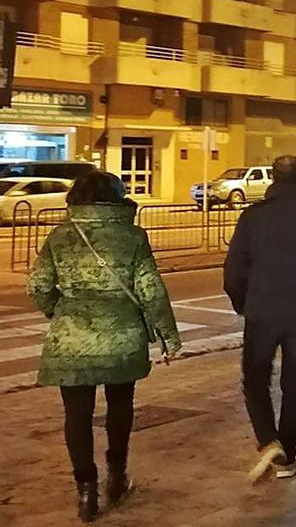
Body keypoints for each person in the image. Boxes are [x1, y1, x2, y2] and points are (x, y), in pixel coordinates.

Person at [27, 171, 182, 523]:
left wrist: (59, 309)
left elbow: (38, 286)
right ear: (119, 198)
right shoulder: (133, 236)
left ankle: (86, 491)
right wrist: (169, 338)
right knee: (120, 405)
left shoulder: (61, 235)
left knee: (77, 415)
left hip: (71, 337)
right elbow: (150, 290)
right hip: (122, 336)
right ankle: (116, 477)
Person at [224, 156, 296, 482]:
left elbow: (233, 270)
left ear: (273, 178)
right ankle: (287, 452)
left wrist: (243, 303)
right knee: (294, 383)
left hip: (261, 311)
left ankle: (267, 439)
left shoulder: (253, 218)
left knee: (256, 379)